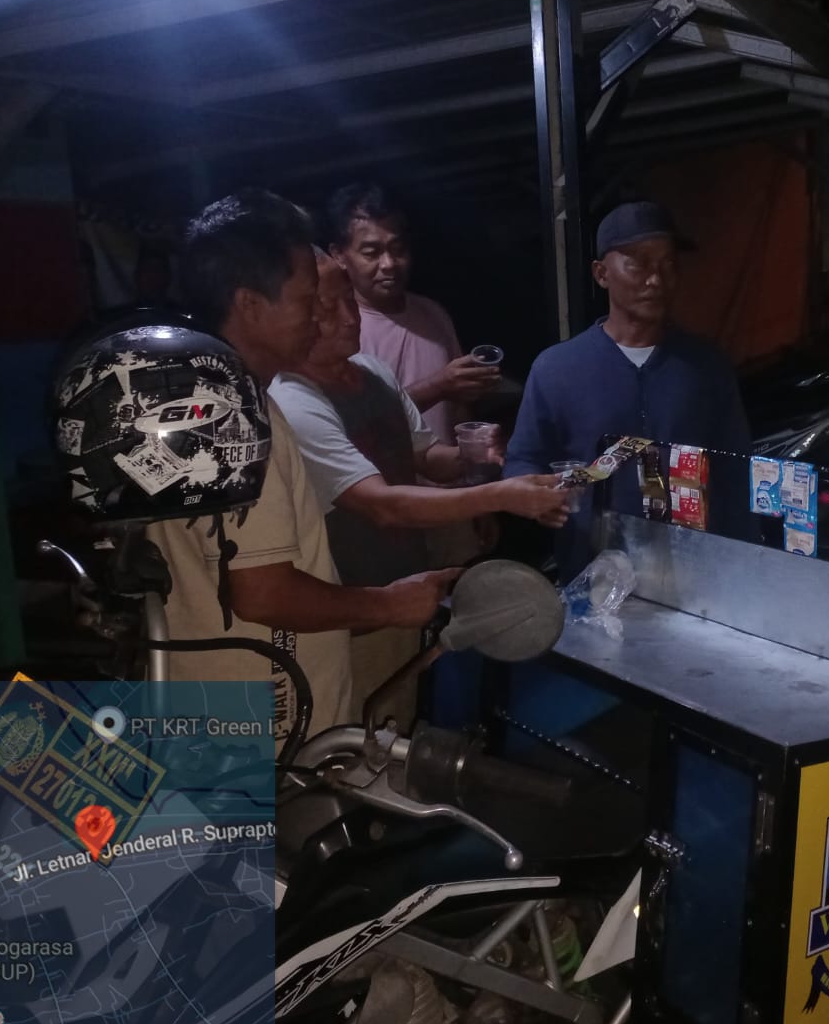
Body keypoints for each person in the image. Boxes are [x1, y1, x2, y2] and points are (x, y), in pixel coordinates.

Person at [146, 189, 458, 745]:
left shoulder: (193, 394)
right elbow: (264, 594)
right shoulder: (234, 416)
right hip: (262, 719)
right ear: (250, 304)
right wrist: (390, 603)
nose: (321, 317)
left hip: (215, 703)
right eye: (308, 299)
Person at [269, 249, 571, 728]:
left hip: (405, 592)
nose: (348, 317)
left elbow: (427, 458)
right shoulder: (292, 400)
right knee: (350, 737)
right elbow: (380, 505)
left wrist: (481, 456)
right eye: (326, 307)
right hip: (351, 610)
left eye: (349, 299)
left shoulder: (373, 372)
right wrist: (504, 496)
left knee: (396, 728)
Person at [503, 201, 752, 571]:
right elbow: (522, 461)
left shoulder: (706, 366)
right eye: (639, 262)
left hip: (697, 575)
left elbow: (736, 471)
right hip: (594, 573)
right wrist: (538, 498)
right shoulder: (557, 369)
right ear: (602, 273)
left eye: (668, 263)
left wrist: (744, 562)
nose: (656, 279)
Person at [327, 182, 500, 443]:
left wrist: (471, 447)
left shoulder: (433, 313)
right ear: (339, 255)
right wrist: (438, 386)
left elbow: (458, 409)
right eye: (371, 253)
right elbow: (353, 423)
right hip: (380, 472)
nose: (389, 264)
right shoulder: (336, 330)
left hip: (444, 468)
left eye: (398, 249)